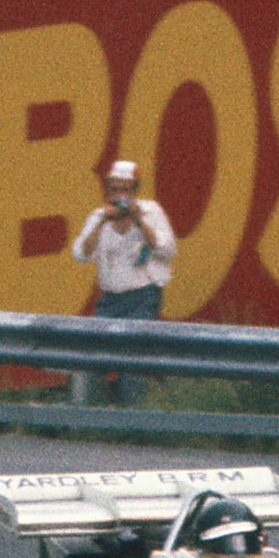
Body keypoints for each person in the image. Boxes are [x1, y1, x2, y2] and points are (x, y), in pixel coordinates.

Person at [70, 158, 177, 404]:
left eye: (125, 190)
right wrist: (101, 223)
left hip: (142, 296)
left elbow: (168, 250)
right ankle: (82, 416)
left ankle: (134, 419)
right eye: (115, 189)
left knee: (132, 361)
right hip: (110, 300)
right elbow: (80, 254)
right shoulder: (99, 216)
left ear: (134, 191)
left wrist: (139, 221)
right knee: (90, 357)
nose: (120, 196)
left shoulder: (151, 212)